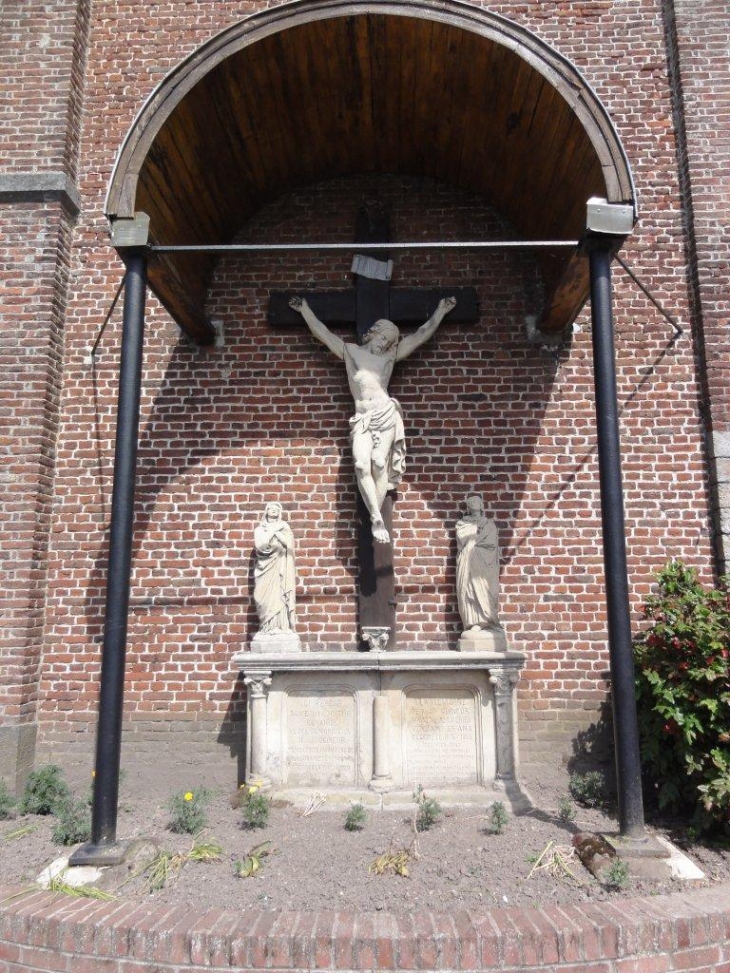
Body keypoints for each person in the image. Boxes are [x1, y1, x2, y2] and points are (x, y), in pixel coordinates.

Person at [289, 294, 457, 543]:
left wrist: (440, 311)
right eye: (383, 338)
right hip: (363, 418)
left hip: (386, 414)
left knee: (380, 464)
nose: (385, 344)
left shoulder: (389, 358)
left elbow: (421, 335)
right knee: (360, 465)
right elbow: (322, 333)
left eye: (389, 342)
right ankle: (376, 515)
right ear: (372, 333)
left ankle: (375, 518)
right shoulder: (351, 353)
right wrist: (304, 310)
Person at [455, 494, 500, 631]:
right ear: (468, 507)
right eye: (471, 501)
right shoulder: (462, 524)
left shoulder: (489, 524)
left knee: (488, 590)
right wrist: (476, 532)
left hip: (485, 561)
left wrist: (477, 539)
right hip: (468, 561)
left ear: (481, 506)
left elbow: (492, 543)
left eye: (477, 501)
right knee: (470, 590)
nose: (474, 503)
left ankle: (489, 621)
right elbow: (462, 538)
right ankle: (474, 622)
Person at [253, 501, 297, 634]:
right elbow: (260, 546)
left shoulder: (284, 527)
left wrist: (277, 532)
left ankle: (281, 626)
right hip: (264, 568)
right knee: (262, 597)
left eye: (276, 509)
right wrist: (272, 530)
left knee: (279, 595)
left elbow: (289, 544)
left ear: (280, 513)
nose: (273, 510)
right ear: (266, 511)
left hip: (280, 567)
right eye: (270, 508)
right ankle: (266, 626)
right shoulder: (259, 530)